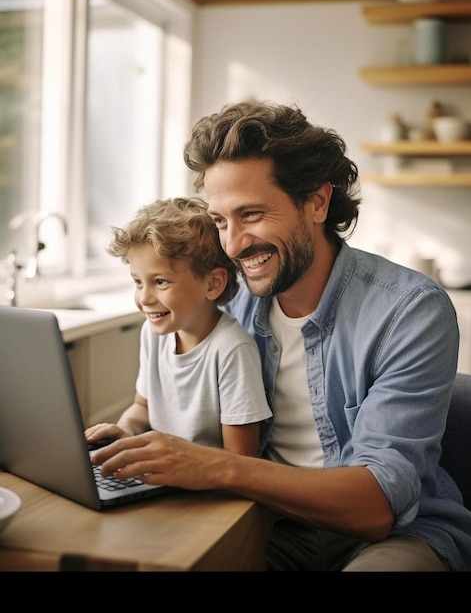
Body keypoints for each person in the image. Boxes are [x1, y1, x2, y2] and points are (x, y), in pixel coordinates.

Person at [92, 100, 471, 571]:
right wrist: (130, 434)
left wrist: (215, 467)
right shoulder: (225, 299)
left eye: (250, 215)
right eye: (220, 221)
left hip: (395, 534)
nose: (232, 244)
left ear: (317, 201)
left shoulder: (410, 310)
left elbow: (377, 507)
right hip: (266, 519)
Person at [85, 196, 272, 456]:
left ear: (212, 284)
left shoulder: (232, 350)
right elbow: (143, 406)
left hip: (212, 491)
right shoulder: (153, 333)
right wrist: (126, 429)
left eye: (160, 282)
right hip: (164, 475)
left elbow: (242, 460)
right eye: (138, 282)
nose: (144, 298)